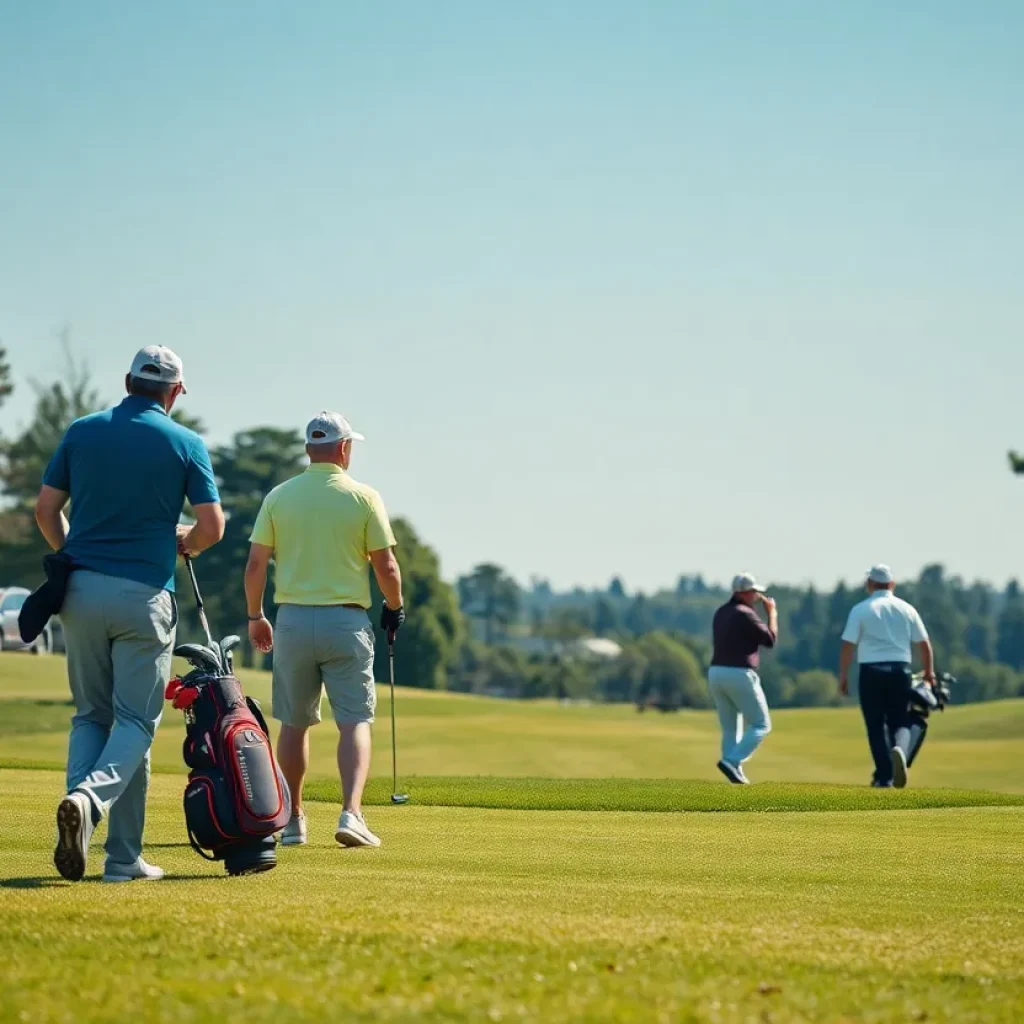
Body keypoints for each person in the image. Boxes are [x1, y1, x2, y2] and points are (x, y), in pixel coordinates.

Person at [35, 346, 224, 882]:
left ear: (127, 381)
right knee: (136, 722)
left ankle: (122, 858)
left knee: (94, 718)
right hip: (144, 598)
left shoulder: (82, 430)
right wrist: (187, 542)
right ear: (176, 392)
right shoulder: (186, 443)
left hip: (81, 592)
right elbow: (211, 527)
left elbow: (46, 510)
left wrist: (72, 552)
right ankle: (89, 804)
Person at [244, 411, 404, 849]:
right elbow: (386, 566)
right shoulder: (364, 497)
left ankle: (294, 819)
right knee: (354, 721)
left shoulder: (279, 496)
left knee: (294, 724)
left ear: (309, 448)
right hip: (346, 621)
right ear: (344, 447)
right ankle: (351, 813)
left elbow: (256, 563)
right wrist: (395, 607)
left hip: (293, 621)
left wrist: (255, 615)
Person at [839, 564, 934, 789]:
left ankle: (884, 777)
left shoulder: (861, 609)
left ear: (870, 584)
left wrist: (843, 676)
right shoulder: (907, 609)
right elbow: (924, 644)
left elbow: (847, 646)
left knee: (875, 725)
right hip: (900, 670)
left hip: (870, 671)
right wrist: (929, 672)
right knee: (899, 721)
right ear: (892, 584)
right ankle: (900, 750)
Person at [708, 573, 778, 784]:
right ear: (746, 593)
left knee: (730, 728)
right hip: (738, 673)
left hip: (716, 673)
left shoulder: (721, 611)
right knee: (761, 724)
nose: (757, 596)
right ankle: (732, 760)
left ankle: (734, 775)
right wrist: (772, 614)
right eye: (755, 592)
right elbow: (770, 639)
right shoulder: (745, 613)